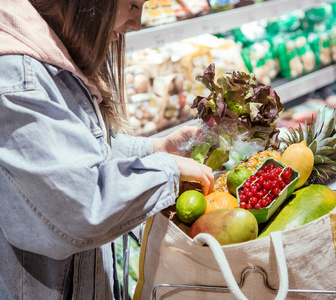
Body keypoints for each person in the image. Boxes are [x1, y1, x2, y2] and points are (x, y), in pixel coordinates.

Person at [0, 0, 214, 299]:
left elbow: (79, 148)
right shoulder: (20, 79)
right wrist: (168, 171)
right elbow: (81, 207)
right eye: (132, 5)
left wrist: (154, 149)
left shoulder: (44, 53)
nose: (136, 23)